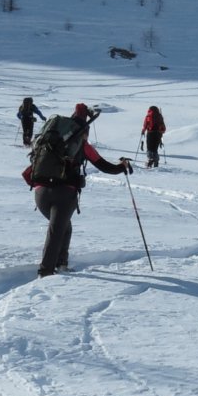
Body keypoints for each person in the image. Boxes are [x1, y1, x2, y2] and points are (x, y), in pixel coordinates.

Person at [26, 103, 132, 277]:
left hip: (40, 192)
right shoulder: (81, 143)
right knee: (56, 230)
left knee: (64, 227)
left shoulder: (49, 140)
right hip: (64, 193)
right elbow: (104, 166)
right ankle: (45, 271)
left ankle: (61, 264)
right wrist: (122, 166)